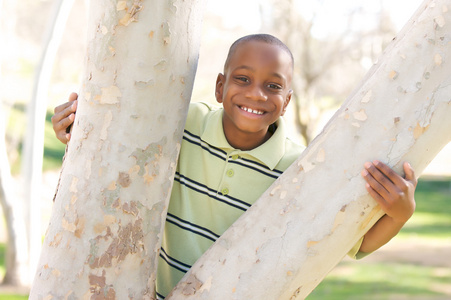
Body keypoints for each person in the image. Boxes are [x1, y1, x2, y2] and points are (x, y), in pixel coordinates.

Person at [51, 34, 417, 299]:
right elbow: (118, 143)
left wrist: (399, 215)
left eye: (272, 86)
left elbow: (350, 242)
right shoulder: (179, 123)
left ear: (286, 101)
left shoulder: (298, 169)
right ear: (220, 86)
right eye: (243, 79)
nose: (256, 94)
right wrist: (77, 130)